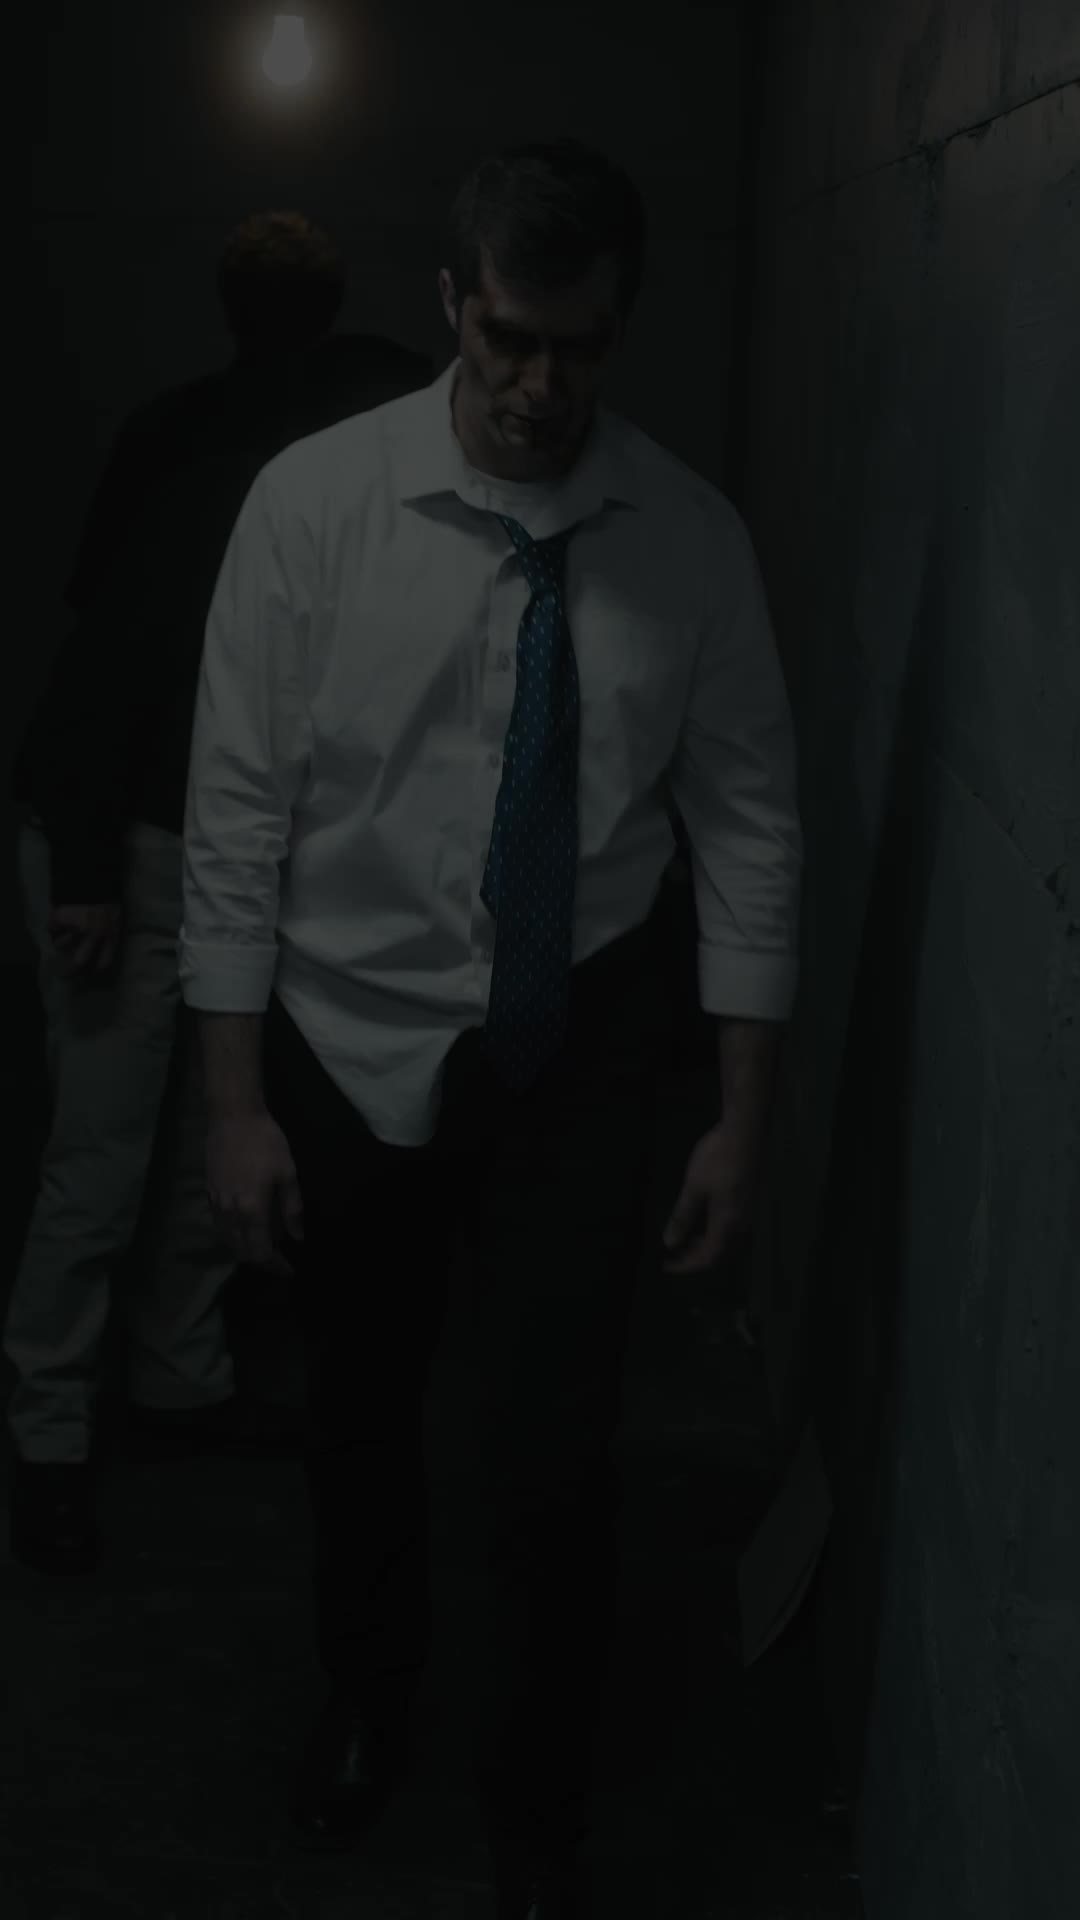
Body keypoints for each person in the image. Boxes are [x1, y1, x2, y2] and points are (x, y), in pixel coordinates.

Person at [181, 139, 804, 1910]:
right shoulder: (312, 509)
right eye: (508, 339)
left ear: (619, 331)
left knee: (555, 1447)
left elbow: (751, 826)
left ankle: (540, 1792)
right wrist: (233, 1102)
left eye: (579, 348)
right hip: (345, 1029)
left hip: (576, 1036)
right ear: (452, 304)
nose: (541, 385)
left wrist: (741, 1110)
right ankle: (370, 1699)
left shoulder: (689, 542)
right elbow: (235, 810)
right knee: (359, 1414)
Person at [6, 213, 433, 1527]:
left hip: (216, 854)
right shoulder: (227, 491)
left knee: (207, 1132)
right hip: (126, 841)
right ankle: (48, 1433)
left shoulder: (345, 513)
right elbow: (100, 673)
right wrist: (87, 867)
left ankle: (180, 1387)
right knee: (102, 1156)